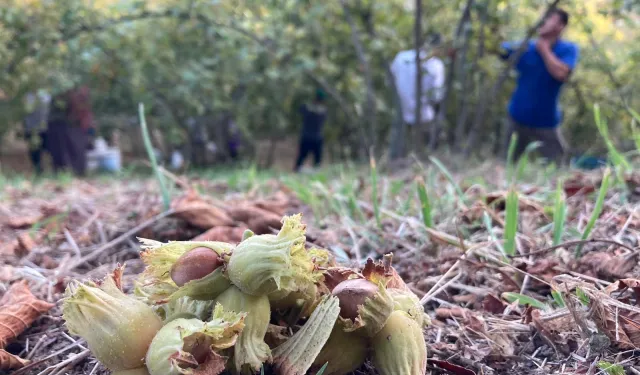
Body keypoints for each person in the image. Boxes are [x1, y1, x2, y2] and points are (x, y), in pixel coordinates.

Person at [500, 8, 580, 165]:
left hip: (546, 122)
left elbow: (561, 74)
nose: (543, 20)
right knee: (508, 164)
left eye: (550, 18)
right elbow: (498, 49)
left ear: (560, 26)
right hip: (517, 117)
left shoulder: (568, 49)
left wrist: (544, 50)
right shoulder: (525, 47)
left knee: (559, 166)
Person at [390, 34, 446, 149]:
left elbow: (391, 79)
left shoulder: (400, 57)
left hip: (401, 111)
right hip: (424, 116)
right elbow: (436, 96)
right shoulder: (436, 65)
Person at [47, 85, 94, 176]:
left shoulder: (80, 98)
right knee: (63, 152)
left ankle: (75, 172)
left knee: (75, 151)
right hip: (63, 126)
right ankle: (65, 172)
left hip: (76, 126)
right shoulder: (61, 96)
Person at [294, 89, 327, 172]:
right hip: (316, 137)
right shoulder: (323, 111)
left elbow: (300, 109)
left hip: (307, 136)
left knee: (302, 158)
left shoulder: (307, 107)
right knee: (316, 161)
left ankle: (297, 171)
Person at [22, 90, 51, 175]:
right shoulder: (27, 96)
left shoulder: (47, 95)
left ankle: (48, 170)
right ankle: (38, 170)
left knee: (47, 150)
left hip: (44, 129)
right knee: (34, 152)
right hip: (31, 129)